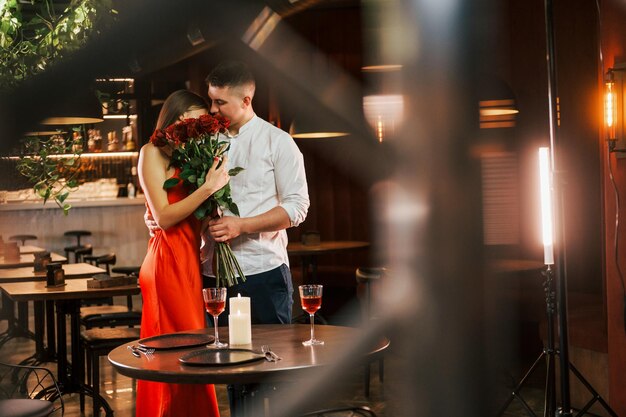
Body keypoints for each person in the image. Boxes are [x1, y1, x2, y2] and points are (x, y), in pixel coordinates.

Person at [136, 90, 229, 417]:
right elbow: (162, 217)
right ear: (173, 117)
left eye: (199, 122)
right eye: (190, 118)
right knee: (178, 351)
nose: (194, 127)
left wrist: (214, 213)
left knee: (193, 348)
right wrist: (208, 188)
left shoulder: (189, 156)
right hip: (165, 261)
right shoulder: (151, 152)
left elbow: (192, 218)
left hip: (189, 259)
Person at [202, 60, 310, 324]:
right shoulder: (203, 142)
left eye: (220, 102)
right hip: (212, 273)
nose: (212, 109)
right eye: (211, 100)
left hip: (264, 271)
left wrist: (242, 225)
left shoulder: (279, 142)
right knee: (218, 358)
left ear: (246, 100)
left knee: (271, 358)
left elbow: (297, 208)